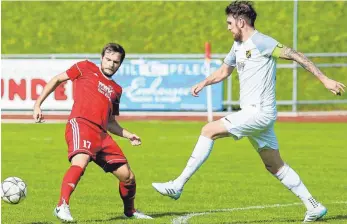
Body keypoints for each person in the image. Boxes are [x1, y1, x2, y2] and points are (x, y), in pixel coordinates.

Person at [152, 1, 345, 222]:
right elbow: (225, 69)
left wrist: (324, 79)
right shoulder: (237, 46)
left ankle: (178, 185)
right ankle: (313, 205)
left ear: (241, 22)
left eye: (229, 23)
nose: (227, 27)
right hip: (256, 114)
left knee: (208, 130)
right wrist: (204, 82)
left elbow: (295, 54)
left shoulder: (262, 42)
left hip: (258, 112)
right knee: (274, 165)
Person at [33, 43, 153, 222]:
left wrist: (129, 135)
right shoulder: (85, 67)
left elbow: (110, 122)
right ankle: (62, 205)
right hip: (81, 125)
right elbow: (57, 79)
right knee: (80, 161)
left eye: (116, 62)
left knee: (127, 176)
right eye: (108, 59)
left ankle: (130, 212)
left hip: (102, 135)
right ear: (102, 57)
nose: (111, 64)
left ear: (120, 64)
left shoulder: (117, 90)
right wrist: (38, 104)